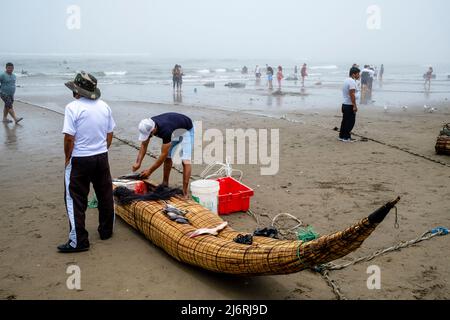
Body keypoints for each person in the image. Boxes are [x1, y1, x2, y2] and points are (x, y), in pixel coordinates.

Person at [58, 71, 116, 253]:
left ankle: (78, 241)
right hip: (101, 157)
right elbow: (110, 133)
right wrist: (102, 149)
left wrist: (68, 157)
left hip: (80, 158)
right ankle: (106, 231)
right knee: (105, 193)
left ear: (77, 91)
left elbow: (69, 138)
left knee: (75, 197)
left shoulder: (72, 108)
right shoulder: (104, 106)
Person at [133, 112, 194, 197]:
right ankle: (165, 183)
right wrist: (138, 163)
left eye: (149, 135)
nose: (148, 136)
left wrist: (150, 171)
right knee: (168, 157)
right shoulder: (148, 125)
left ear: (153, 130)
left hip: (186, 129)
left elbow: (163, 154)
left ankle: (185, 192)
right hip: (174, 127)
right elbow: (144, 144)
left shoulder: (166, 131)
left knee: (185, 160)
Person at [339, 67, 360, 142]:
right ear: (354, 74)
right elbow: (352, 94)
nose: (359, 75)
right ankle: (346, 137)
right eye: (358, 74)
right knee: (350, 122)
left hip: (345, 104)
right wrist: (354, 105)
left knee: (344, 121)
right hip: (349, 105)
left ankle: (341, 136)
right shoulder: (351, 82)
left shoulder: (346, 80)